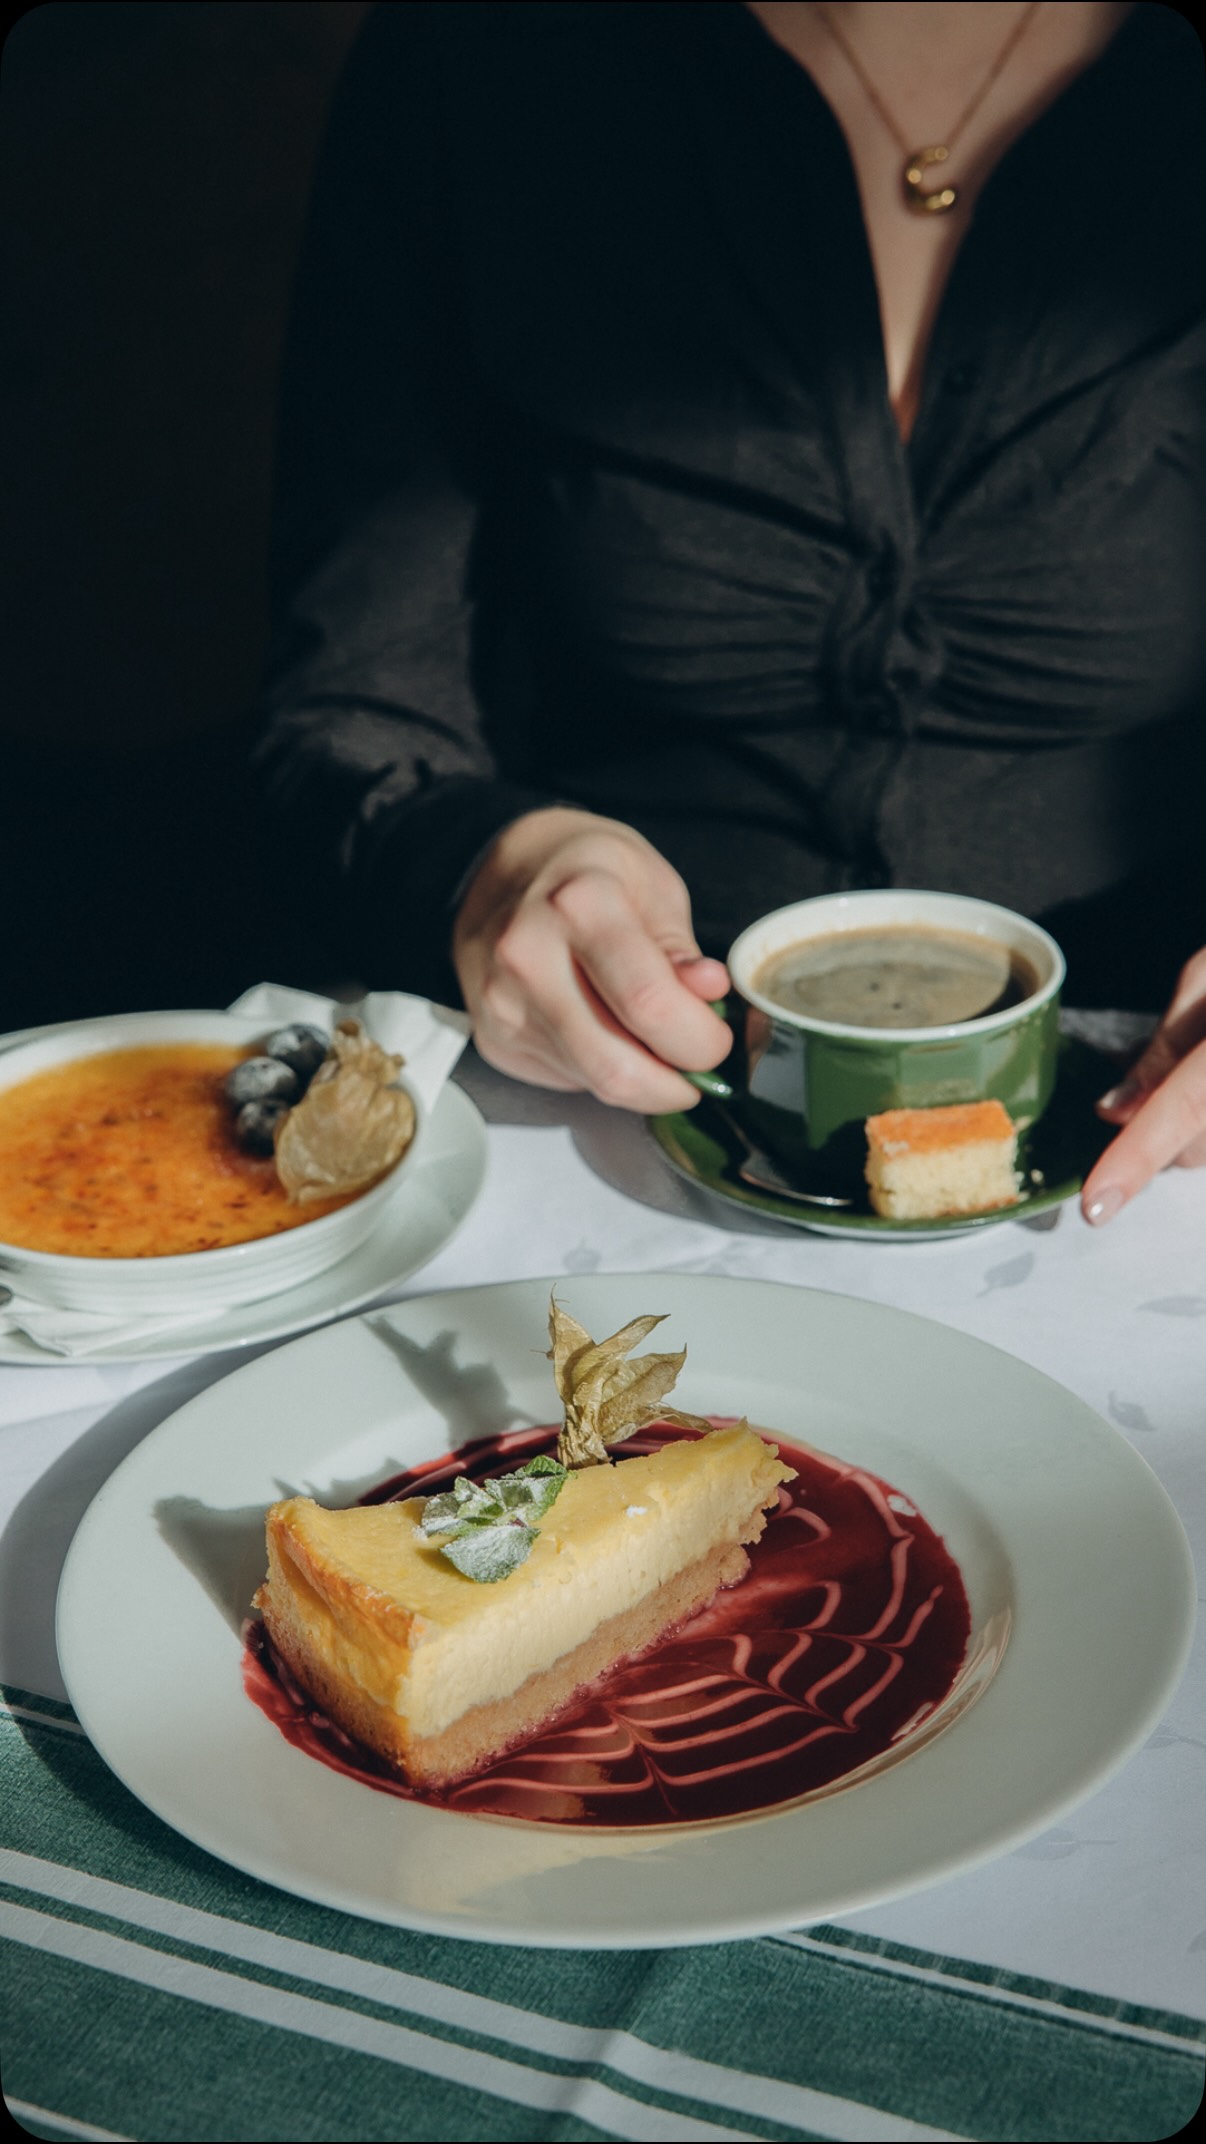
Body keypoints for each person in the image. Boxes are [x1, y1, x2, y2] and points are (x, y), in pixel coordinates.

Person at [254, 1, 1206, 1225]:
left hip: (1153, 1141)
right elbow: (340, 720)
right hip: (616, 1126)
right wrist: (488, 870)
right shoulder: (479, 58)